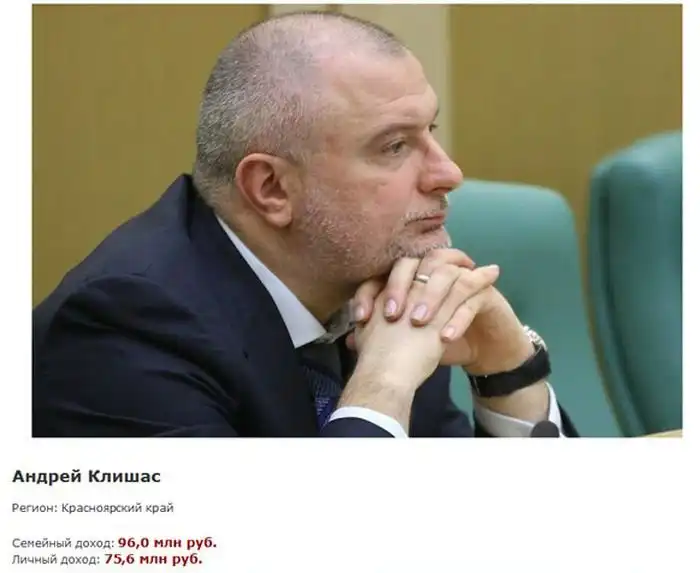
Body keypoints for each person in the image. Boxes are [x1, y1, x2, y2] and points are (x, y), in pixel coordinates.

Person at [33, 11, 577, 438]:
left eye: (429, 131)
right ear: (272, 188)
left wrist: (508, 371)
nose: (448, 173)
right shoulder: (126, 329)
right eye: (394, 146)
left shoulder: (385, 286)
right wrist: (381, 388)